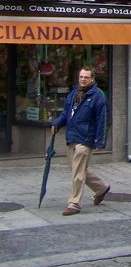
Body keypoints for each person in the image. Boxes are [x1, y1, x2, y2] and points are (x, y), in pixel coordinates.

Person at [51, 66, 110, 215]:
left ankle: (74, 203)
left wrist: (99, 141)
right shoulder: (74, 93)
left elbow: (101, 119)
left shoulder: (98, 96)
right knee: (77, 169)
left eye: (86, 77)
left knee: (77, 171)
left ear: (92, 79)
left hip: (86, 138)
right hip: (72, 137)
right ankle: (101, 188)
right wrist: (57, 123)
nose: (83, 79)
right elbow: (66, 112)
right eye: (81, 77)